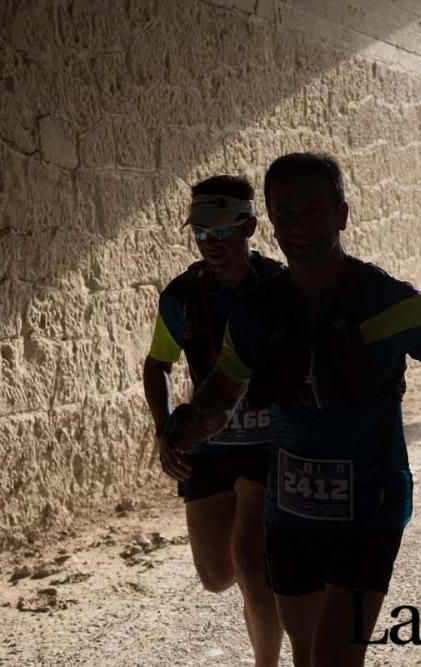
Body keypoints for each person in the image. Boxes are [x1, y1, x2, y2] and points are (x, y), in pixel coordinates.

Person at [161, 152, 421, 667]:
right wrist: (188, 425)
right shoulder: (256, 314)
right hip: (289, 515)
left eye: (312, 211)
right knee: (307, 654)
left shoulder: (388, 301)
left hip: (371, 509)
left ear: (342, 215)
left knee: (334, 658)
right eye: (284, 214)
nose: (298, 227)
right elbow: (221, 396)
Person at [143, 175, 283, 667]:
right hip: (209, 447)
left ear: (248, 227)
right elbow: (157, 364)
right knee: (216, 575)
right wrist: (166, 432)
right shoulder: (181, 297)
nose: (210, 244)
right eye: (200, 233)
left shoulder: (279, 289)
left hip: (269, 446)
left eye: (221, 233)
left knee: (251, 565)